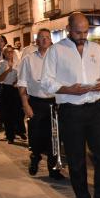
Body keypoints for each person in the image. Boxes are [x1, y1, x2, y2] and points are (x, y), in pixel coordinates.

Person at [41, 12, 100, 198]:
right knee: (76, 160)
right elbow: (46, 81)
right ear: (68, 29)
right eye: (78, 32)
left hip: (96, 109)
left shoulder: (97, 49)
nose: (83, 36)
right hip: (71, 111)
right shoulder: (56, 51)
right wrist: (67, 89)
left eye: (86, 32)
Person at [18, 28, 64, 180]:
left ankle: (54, 169)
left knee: (54, 137)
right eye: (41, 37)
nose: (44, 40)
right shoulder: (28, 59)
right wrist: (26, 105)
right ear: (36, 41)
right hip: (36, 102)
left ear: (51, 40)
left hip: (54, 102)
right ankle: (35, 157)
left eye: (47, 37)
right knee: (36, 135)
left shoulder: (58, 59)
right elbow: (22, 84)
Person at [0, 45, 25, 144]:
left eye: (11, 52)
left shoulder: (18, 62)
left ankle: (20, 131)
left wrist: (17, 80)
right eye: (7, 52)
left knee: (18, 112)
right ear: (4, 53)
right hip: (6, 89)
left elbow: (22, 74)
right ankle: (10, 136)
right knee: (7, 113)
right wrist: (8, 70)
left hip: (15, 89)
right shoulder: (0, 64)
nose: (10, 54)